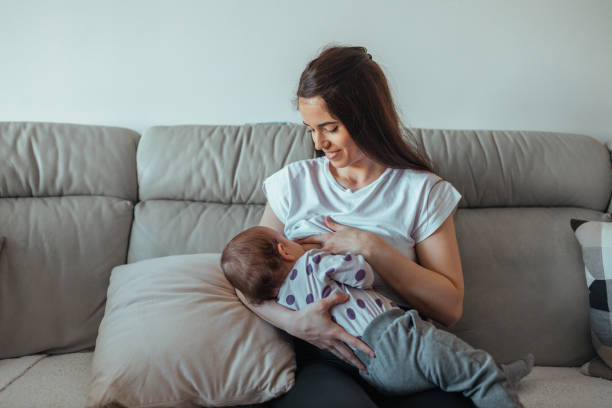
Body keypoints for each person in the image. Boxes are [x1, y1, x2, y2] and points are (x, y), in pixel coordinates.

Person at [236, 45, 486, 407]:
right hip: (323, 356)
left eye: (330, 128)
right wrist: (296, 325)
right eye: (310, 129)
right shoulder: (293, 184)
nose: (319, 144)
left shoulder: (421, 191)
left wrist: (372, 248)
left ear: (366, 117)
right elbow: (246, 282)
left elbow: (450, 308)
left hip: (403, 348)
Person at [222, 226, 532, 408]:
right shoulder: (314, 261)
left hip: (370, 368)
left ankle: (499, 370)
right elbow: (361, 274)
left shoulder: (284, 301)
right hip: (396, 339)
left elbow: (249, 295)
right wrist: (340, 251)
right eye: (289, 239)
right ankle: (493, 376)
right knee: (477, 374)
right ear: (285, 250)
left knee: (460, 363)